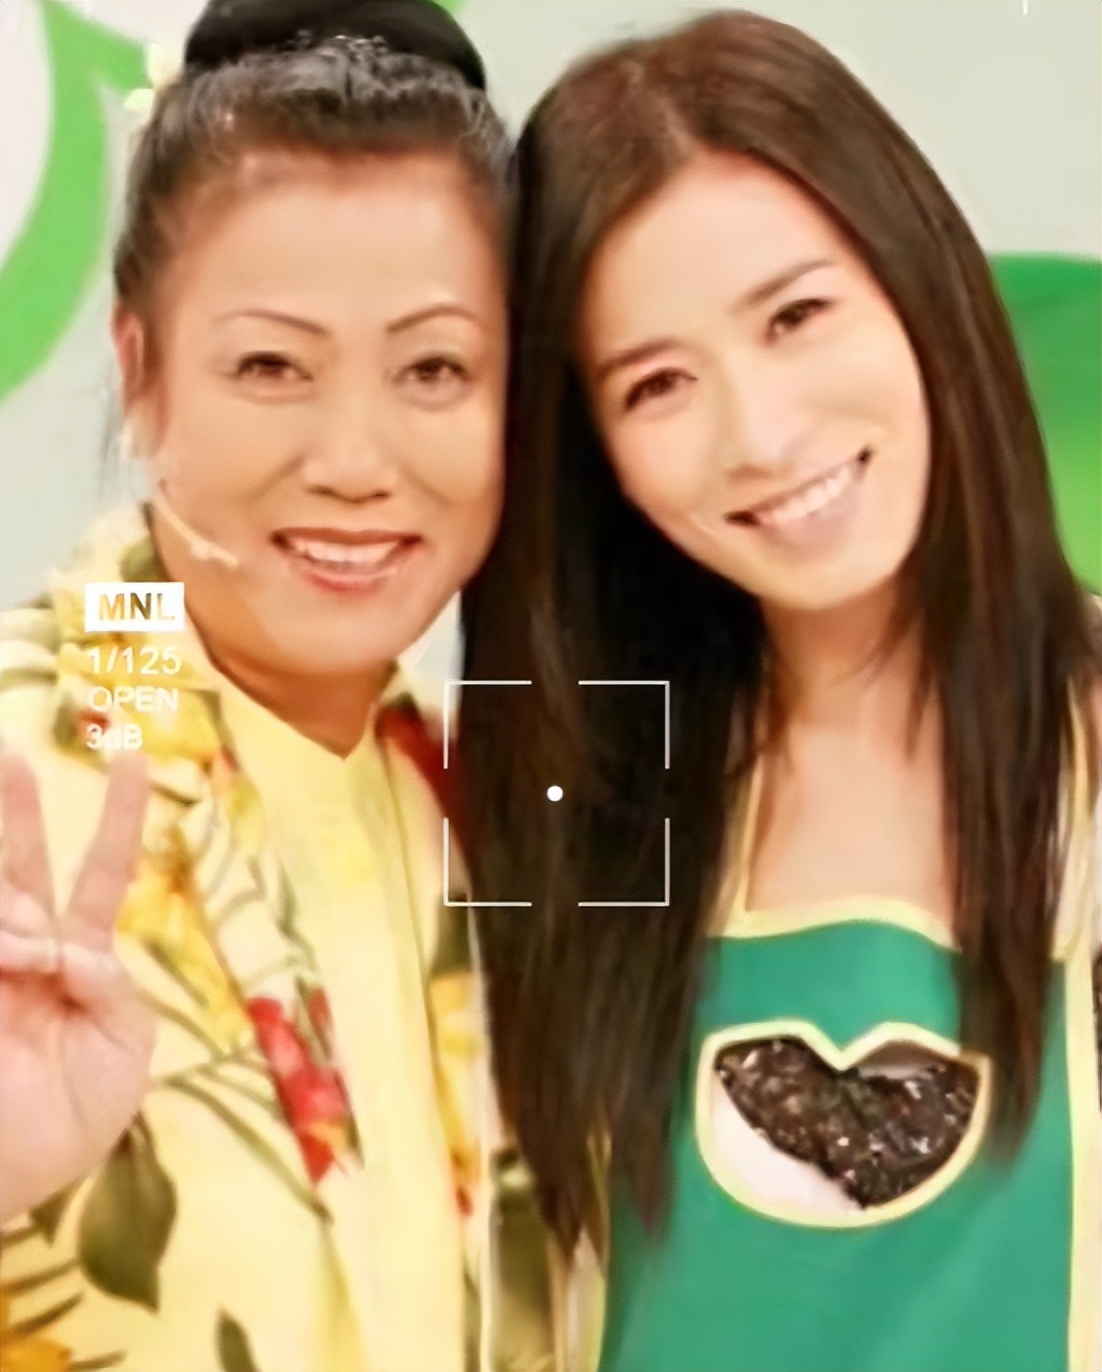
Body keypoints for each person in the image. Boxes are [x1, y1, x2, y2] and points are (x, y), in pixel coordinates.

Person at [460, 10, 1102, 1371]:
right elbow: (137, 713)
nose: (759, 435)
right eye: (657, 385)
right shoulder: (587, 786)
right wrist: (142, 550)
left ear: (918, 280)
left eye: (796, 316)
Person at [0, 2, 558, 1369]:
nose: (355, 459)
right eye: (270, 366)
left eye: (434, 368)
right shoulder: (31, 766)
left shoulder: (494, 799)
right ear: (141, 373)